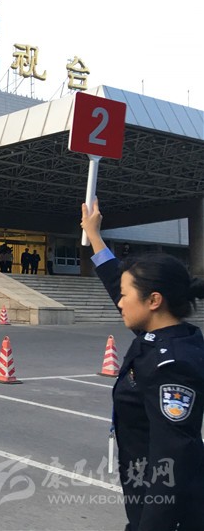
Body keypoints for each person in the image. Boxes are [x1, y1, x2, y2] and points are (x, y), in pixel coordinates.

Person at [81, 199, 204, 531]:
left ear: (154, 301)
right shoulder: (162, 333)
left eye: (125, 295)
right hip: (147, 496)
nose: (119, 301)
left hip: (170, 513)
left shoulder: (173, 364)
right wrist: (94, 235)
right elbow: (116, 283)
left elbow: (173, 459)